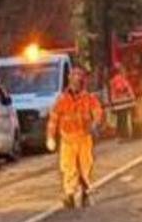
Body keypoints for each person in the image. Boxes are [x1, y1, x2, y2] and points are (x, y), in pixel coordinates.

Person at [47, 67, 104, 208]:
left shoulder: (88, 98)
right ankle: (70, 195)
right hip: (67, 139)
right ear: (70, 80)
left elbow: (97, 111)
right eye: (74, 77)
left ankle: (85, 192)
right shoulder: (62, 100)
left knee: (85, 167)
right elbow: (53, 119)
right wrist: (50, 137)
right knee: (68, 168)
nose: (76, 81)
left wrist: (95, 123)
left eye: (79, 78)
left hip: (84, 138)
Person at [109, 63, 136, 139]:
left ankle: (120, 135)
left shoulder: (112, 80)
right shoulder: (120, 79)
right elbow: (124, 88)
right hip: (123, 103)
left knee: (120, 120)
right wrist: (132, 97)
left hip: (117, 103)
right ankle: (124, 135)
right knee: (123, 119)